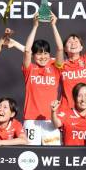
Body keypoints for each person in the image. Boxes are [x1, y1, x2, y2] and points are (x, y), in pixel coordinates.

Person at [22, 12, 64, 145]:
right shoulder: (29, 69)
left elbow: (60, 48)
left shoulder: (55, 69)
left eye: (46, 53)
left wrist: (54, 26)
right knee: (29, 156)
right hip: (31, 120)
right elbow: (27, 50)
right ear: (34, 56)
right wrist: (35, 26)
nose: (43, 56)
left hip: (50, 120)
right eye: (39, 54)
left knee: (52, 157)